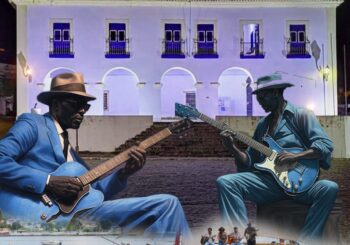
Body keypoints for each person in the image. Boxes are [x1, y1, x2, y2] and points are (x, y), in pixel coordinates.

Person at [0, 72, 190, 239]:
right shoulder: (33, 124)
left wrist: (124, 173)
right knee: (168, 206)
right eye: (76, 104)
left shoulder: (71, 153)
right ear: (56, 104)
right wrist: (49, 181)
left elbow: (96, 193)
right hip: (39, 214)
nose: (82, 110)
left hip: (79, 213)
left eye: (86, 106)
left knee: (165, 205)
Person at [217, 73, 338, 241]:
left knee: (329, 187)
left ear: (276, 93)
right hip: (271, 184)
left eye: (262, 96)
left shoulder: (301, 115)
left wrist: (296, 157)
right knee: (226, 182)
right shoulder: (263, 125)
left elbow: (325, 145)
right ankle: (240, 240)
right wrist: (232, 147)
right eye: (257, 96)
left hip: (303, 184)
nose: (259, 101)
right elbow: (249, 162)